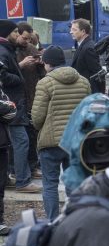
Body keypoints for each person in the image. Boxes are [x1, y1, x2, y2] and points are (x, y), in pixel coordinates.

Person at [31, 46, 91, 219]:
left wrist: (40, 128)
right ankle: (73, 220)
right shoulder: (83, 82)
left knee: (50, 184)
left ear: (47, 63)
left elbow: (37, 117)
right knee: (73, 183)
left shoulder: (45, 83)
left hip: (51, 142)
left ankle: (52, 221)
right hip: (75, 141)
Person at [0, 20, 39, 193]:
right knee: (21, 141)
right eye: (15, 32)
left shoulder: (8, 49)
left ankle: (8, 177)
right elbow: (3, 76)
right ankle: (22, 181)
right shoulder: (3, 51)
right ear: (6, 33)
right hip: (11, 104)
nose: (17, 34)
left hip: (13, 103)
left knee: (10, 143)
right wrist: (19, 78)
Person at [16, 22, 45, 179]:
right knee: (20, 137)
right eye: (25, 38)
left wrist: (41, 63)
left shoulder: (31, 49)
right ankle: (19, 170)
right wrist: (21, 64)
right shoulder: (11, 50)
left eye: (29, 39)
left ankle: (33, 166)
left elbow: (43, 74)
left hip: (32, 95)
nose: (27, 41)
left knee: (32, 133)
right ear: (18, 34)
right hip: (17, 97)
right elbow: (7, 72)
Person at [70, 18, 104, 93]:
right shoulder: (83, 45)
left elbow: (96, 73)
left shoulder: (88, 48)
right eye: (71, 29)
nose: (71, 32)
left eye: (74, 30)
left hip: (87, 90)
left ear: (83, 31)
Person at [0, 85, 17, 234]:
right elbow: (7, 107)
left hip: (2, 144)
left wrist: (7, 107)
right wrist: (6, 107)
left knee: (1, 185)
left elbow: (12, 110)